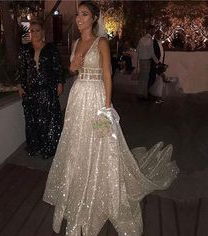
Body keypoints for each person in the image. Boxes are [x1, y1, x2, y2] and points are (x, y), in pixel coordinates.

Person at [43, 1, 179, 236]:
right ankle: (77, 187)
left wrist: (106, 107)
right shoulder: (76, 42)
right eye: (78, 14)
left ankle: (98, 186)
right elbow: (73, 70)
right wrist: (73, 67)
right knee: (76, 143)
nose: (79, 18)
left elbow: (107, 74)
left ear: (94, 18)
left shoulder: (102, 42)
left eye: (84, 14)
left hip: (96, 99)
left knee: (102, 143)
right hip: (77, 98)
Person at [16, 18, 64, 159]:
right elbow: (20, 70)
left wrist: (60, 83)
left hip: (48, 89)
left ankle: (48, 148)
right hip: (31, 90)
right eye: (32, 31)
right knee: (32, 119)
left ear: (43, 32)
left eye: (37, 30)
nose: (35, 33)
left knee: (49, 119)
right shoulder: (25, 50)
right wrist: (19, 85)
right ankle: (35, 146)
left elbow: (58, 68)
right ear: (29, 33)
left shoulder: (51, 49)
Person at [137, 25, 159, 100]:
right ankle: (144, 94)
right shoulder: (150, 40)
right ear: (150, 30)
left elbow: (138, 50)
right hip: (146, 60)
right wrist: (157, 61)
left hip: (141, 60)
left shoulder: (142, 39)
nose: (154, 32)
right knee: (146, 78)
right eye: (153, 30)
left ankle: (140, 93)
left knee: (141, 77)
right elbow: (152, 52)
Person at [148, 30, 166, 104]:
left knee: (157, 81)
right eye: (159, 34)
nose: (160, 35)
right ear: (156, 35)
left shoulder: (160, 43)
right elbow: (153, 55)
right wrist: (156, 64)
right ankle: (153, 96)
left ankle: (155, 97)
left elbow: (161, 54)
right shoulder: (153, 43)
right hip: (155, 64)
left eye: (161, 34)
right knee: (153, 80)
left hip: (159, 64)